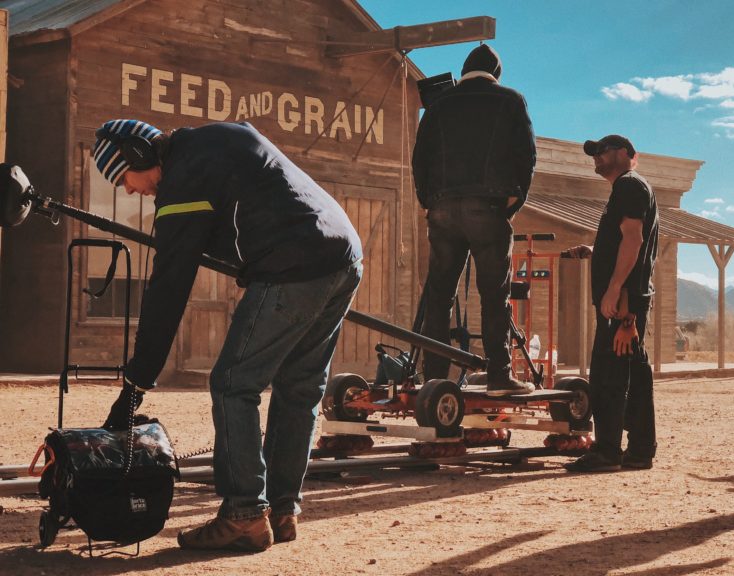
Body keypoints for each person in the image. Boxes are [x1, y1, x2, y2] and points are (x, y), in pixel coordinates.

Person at [93, 119, 363, 551]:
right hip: (344, 253)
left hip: (294, 263)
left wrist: (135, 383)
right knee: (299, 387)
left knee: (233, 384)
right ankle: (281, 508)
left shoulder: (183, 180)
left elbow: (168, 288)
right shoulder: (216, 141)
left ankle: (244, 515)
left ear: (139, 155)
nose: (128, 190)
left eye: (123, 177)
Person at [412, 43, 537, 396]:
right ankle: (498, 375)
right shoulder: (511, 100)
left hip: (442, 209)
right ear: (496, 73)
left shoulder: (438, 106)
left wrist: (428, 200)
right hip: (488, 208)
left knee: (439, 295)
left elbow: (420, 158)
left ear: (464, 69)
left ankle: (434, 376)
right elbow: (525, 155)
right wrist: (512, 201)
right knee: (493, 294)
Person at [563, 134, 659, 473]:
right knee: (634, 373)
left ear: (626, 153)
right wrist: (597, 252)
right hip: (626, 300)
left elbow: (634, 240)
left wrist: (618, 295)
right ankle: (640, 450)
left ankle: (606, 451)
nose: (597, 158)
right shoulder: (629, 189)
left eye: (603, 151)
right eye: (595, 154)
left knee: (608, 376)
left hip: (623, 303)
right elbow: (625, 241)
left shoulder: (629, 186)